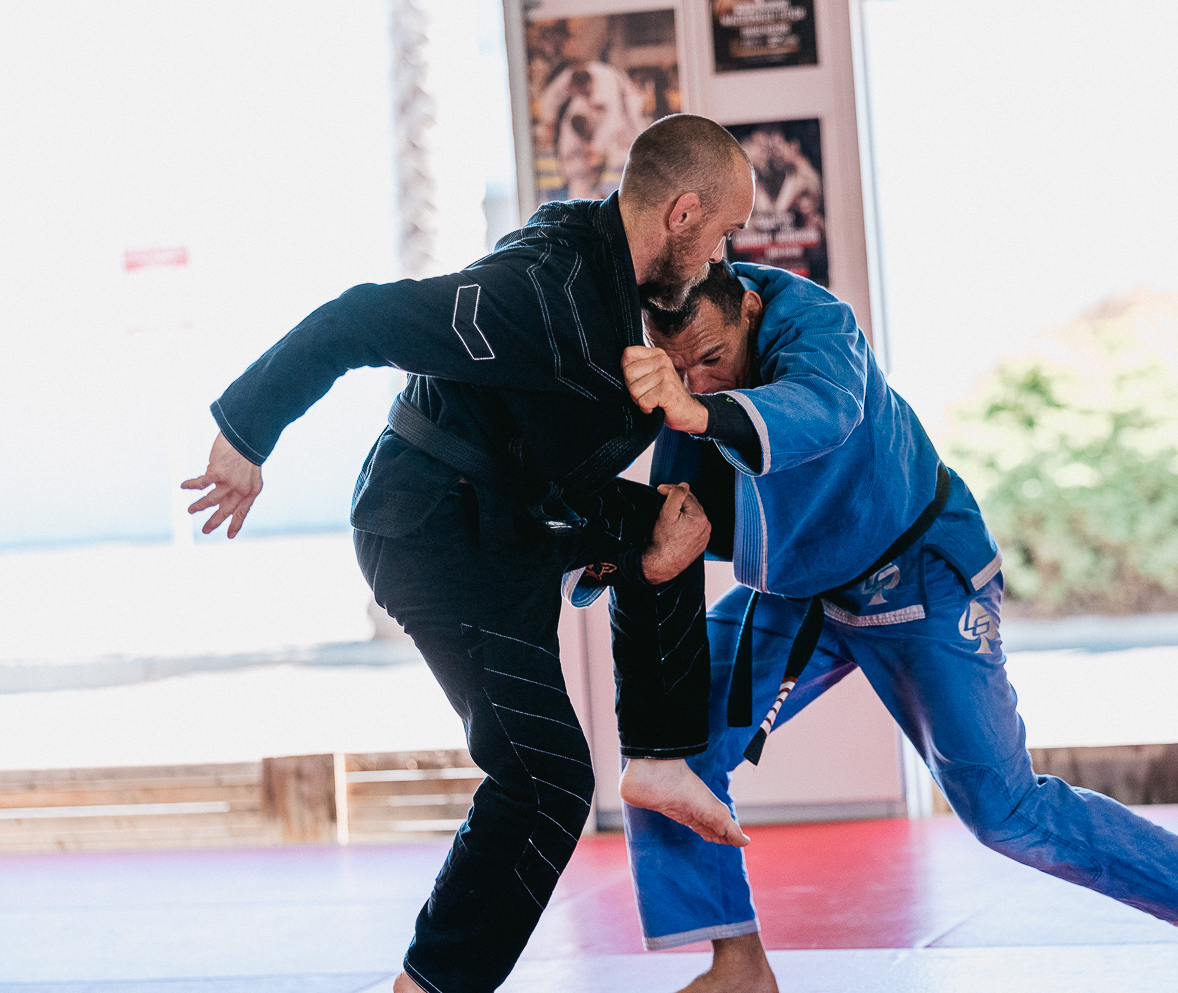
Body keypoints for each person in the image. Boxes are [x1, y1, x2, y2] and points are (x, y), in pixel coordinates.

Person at [610, 261, 1178, 993]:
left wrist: (696, 412)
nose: (698, 382)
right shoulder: (685, 383)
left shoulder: (815, 325)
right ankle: (737, 963)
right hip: (804, 587)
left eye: (711, 360)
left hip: (916, 575)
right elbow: (685, 522)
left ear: (751, 312)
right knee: (668, 747)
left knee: (1003, 810)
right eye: (677, 368)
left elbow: (817, 412)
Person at [180, 115, 756, 993]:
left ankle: (660, 755)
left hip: (512, 524)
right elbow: (360, 318)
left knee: (675, 518)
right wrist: (244, 431)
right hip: (436, 532)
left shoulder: (616, 280)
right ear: (681, 213)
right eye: (720, 234)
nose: (722, 257)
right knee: (547, 783)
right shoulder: (540, 290)